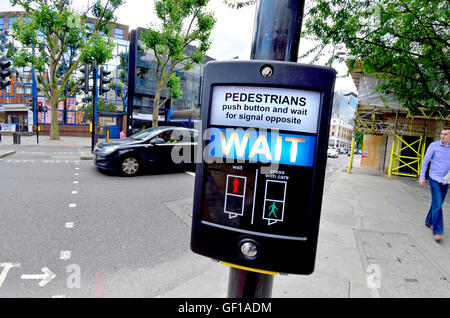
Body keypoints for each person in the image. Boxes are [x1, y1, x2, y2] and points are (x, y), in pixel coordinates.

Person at [419, 126, 450, 242]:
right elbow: (425, 161)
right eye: (442, 134)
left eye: (445, 134)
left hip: (446, 180)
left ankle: (428, 221)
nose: (443, 136)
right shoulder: (434, 146)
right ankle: (437, 231)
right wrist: (422, 177)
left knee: (437, 203)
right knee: (438, 204)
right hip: (434, 179)